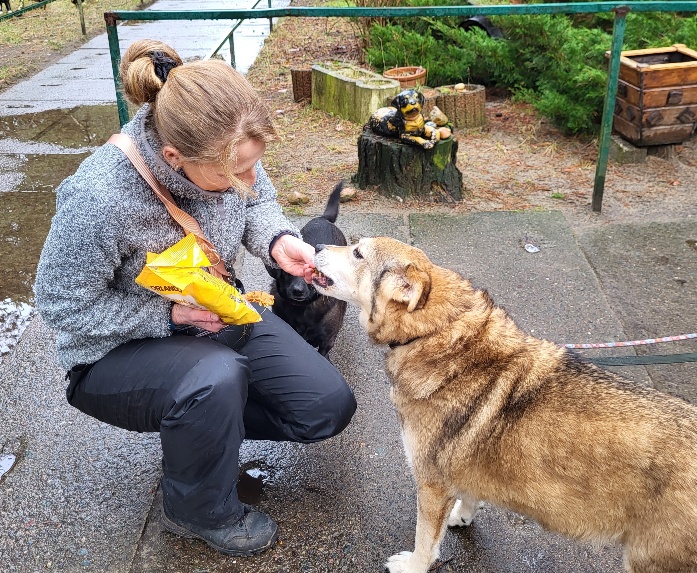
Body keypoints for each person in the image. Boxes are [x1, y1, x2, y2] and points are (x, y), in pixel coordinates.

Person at [34, 39, 357, 557]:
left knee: (327, 406)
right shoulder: (99, 198)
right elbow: (61, 303)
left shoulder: (229, 150)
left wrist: (278, 240)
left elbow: (259, 203)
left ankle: (199, 431)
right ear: (173, 157)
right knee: (215, 379)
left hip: (217, 314)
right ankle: (196, 508)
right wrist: (168, 314)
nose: (248, 180)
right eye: (235, 173)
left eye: (254, 165)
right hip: (114, 352)